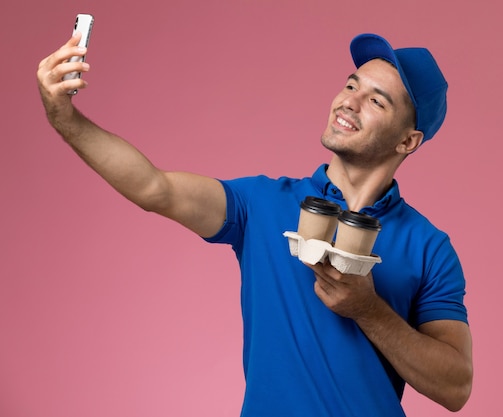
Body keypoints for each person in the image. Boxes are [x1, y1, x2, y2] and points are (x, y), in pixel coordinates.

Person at [37, 32, 473, 416]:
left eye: (376, 100)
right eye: (350, 85)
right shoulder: (262, 204)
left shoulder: (429, 247)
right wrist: (65, 117)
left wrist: (368, 309)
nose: (348, 102)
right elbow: (154, 188)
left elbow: (455, 387)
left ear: (407, 140)